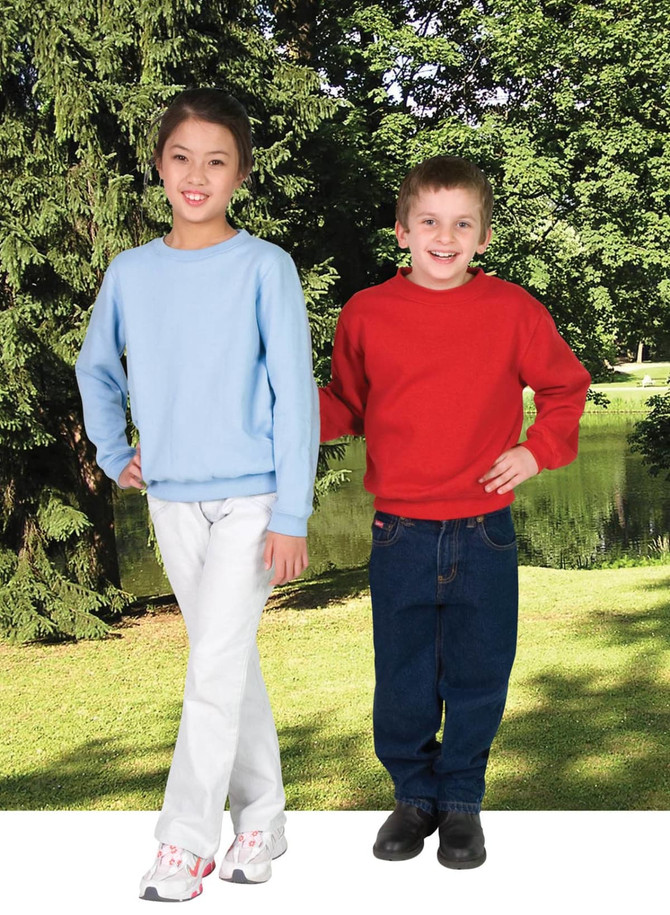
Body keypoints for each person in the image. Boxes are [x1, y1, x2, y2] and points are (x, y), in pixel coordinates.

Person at [76, 88, 319, 900]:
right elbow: (95, 365)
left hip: (252, 499)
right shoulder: (132, 272)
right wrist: (114, 451)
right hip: (171, 498)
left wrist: (292, 511)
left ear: (240, 175)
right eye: (181, 157)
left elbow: (296, 394)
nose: (196, 174)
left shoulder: (264, 267)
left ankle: (184, 841)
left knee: (212, 663)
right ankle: (265, 819)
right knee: (228, 660)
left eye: (216, 161)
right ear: (159, 164)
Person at [319, 156, 590, 869]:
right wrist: (275, 403)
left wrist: (537, 451)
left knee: (479, 671)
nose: (446, 236)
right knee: (403, 676)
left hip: (484, 532)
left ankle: (463, 800)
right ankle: (414, 795)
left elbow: (566, 386)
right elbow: (346, 404)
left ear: (485, 235)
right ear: (402, 230)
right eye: (430, 222)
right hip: (400, 531)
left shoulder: (512, 310)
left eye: (462, 223)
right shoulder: (367, 313)